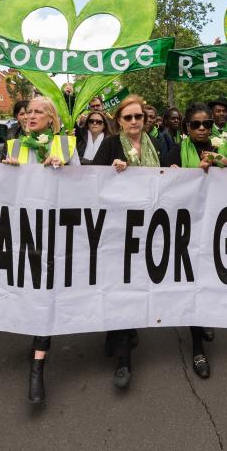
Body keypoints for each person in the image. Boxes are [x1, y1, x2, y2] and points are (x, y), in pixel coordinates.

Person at [2, 96, 79, 404]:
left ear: (51, 119)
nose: (30, 116)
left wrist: (64, 170)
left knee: (46, 294)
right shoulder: (15, 147)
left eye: (38, 112)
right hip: (25, 234)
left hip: (57, 234)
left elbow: (85, 189)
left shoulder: (66, 146)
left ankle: (37, 367)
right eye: (28, 112)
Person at [92, 95, 161, 389]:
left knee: (135, 285)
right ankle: (123, 361)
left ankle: (120, 331)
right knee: (119, 287)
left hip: (146, 229)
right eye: (128, 118)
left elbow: (168, 174)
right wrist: (110, 170)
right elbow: (90, 179)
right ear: (118, 122)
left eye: (139, 117)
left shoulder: (154, 145)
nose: (134, 122)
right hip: (116, 230)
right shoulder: (110, 145)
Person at [165, 103, 227, 379]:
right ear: (186, 127)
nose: (202, 129)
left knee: (210, 281)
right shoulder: (176, 151)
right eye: (195, 124)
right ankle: (197, 348)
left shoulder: (223, 148)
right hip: (188, 230)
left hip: (216, 227)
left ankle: (204, 320)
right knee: (193, 284)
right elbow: (165, 187)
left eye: (207, 124)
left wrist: (221, 166)